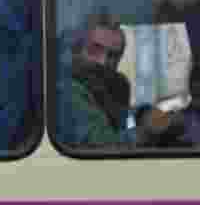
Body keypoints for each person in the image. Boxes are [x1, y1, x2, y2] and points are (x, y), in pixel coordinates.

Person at [55, 12, 179, 148]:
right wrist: (144, 132)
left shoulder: (109, 88)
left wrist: (143, 115)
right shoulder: (68, 92)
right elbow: (101, 147)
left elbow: (122, 119)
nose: (103, 61)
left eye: (112, 55)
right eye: (95, 50)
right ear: (75, 51)